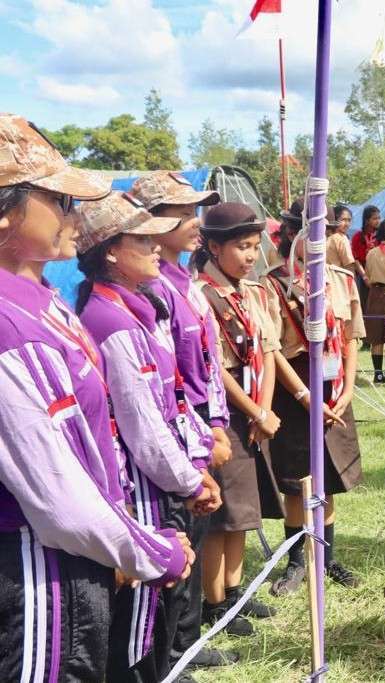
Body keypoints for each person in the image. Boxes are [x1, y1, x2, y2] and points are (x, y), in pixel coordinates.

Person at [0, 113, 194, 682]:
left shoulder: (40, 302)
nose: (75, 216)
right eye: (59, 202)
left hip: (72, 560)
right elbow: (57, 499)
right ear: (7, 210)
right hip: (37, 571)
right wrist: (151, 551)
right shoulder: (12, 325)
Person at [75, 191, 222, 682]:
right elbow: (141, 426)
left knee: (157, 615)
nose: (156, 247)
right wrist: (189, 481)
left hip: (160, 480)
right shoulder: (110, 320)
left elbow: (169, 401)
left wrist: (195, 462)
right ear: (110, 251)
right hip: (140, 489)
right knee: (137, 626)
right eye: (142, 239)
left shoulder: (137, 308)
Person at [131, 169, 240, 672]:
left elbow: (205, 360)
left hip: (199, 424)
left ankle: (185, 644)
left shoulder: (182, 283)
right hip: (179, 429)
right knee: (181, 542)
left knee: (195, 537)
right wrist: (203, 427)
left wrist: (216, 421)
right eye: (180, 213)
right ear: (150, 222)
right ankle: (174, 653)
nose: (195, 223)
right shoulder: (155, 289)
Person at [262, 210, 365, 595]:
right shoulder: (272, 286)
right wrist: (303, 395)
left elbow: (353, 337)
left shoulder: (341, 281)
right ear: (293, 236)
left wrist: (349, 388)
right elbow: (271, 349)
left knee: (329, 476)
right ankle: (295, 562)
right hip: (294, 390)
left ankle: (327, 556)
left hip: (335, 388)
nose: (319, 241)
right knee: (296, 479)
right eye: (310, 233)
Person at [196, 202, 283, 636]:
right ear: (214, 246)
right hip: (224, 413)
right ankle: (213, 604)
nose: (251, 256)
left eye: (254, 247)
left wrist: (264, 408)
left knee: (245, 510)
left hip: (253, 410)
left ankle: (234, 593)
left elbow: (268, 348)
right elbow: (214, 367)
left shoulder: (250, 292)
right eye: (241, 247)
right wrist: (254, 411)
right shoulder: (202, 294)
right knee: (222, 515)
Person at [364, 220, 385, 383]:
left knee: (376, 337)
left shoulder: (371, 253)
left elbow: (367, 274)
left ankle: (378, 374)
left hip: (375, 293)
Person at [351, 205, 381, 311]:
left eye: (379, 218)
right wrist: (365, 277)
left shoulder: (380, 236)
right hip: (362, 273)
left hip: (377, 273)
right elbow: (356, 260)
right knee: (363, 303)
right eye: (375, 218)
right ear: (367, 220)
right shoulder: (357, 237)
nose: (378, 221)